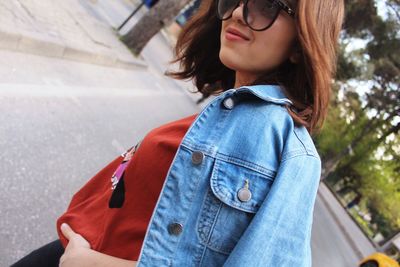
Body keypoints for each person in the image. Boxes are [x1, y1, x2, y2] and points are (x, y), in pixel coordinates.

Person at [12, 0, 344, 266]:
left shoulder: (287, 149)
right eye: (234, 1)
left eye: (267, 5)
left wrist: (92, 263)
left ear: (302, 43)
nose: (240, 13)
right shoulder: (228, 110)